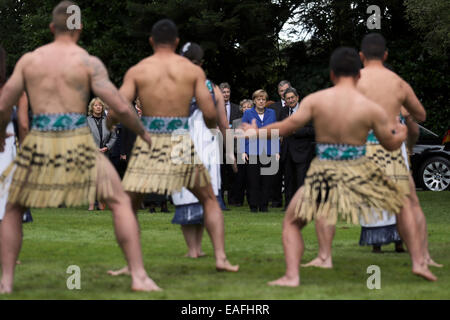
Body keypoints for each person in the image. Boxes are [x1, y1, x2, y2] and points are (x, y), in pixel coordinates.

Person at [0, 1, 160, 293]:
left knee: (12, 208)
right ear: (80, 28)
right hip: (75, 138)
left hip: (41, 140)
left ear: (51, 28)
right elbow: (121, 107)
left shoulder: (30, 60)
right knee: (120, 201)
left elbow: (3, 103)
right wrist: (142, 132)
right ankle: (138, 276)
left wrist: (0, 134)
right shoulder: (87, 62)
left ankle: (6, 282)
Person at [241, 46, 435, 287]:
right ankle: (418, 262)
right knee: (404, 204)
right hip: (360, 168)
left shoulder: (316, 100)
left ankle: (293, 275)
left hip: (326, 169)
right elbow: (389, 141)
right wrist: (402, 135)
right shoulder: (371, 106)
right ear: (357, 75)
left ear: (332, 74)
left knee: (293, 221)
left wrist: (256, 131)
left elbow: (288, 126)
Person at [107, 19, 238, 275]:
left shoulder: (138, 70)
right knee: (209, 199)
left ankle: (131, 265)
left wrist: (119, 124)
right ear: (177, 42)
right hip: (181, 139)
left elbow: (118, 109)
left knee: (128, 205)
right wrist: (210, 126)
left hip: (151, 141)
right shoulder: (193, 72)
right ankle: (220, 258)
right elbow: (210, 113)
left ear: (151, 42)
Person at [303, 33, 441, 273]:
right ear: (385, 55)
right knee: (411, 203)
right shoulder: (397, 82)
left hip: (359, 147)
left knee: (329, 200)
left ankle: (324, 255)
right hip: (391, 146)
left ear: (361, 56)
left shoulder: (355, 81)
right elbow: (420, 116)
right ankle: (423, 257)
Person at [171, 42, 229, 258]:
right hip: (207, 146)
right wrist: (230, 152)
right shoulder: (211, 87)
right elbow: (222, 123)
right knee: (209, 198)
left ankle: (193, 249)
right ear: (201, 63)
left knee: (185, 196)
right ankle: (215, 253)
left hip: (180, 144)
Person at [240, 89, 279, 212]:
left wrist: (276, 150)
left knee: (267, 180)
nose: (261, 101)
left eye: (263, 99)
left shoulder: (272, 113)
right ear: (254, 101)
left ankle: (264, 206)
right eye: (258, 99)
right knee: (253, 180)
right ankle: (253, 205)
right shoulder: (248, 113)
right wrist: (243, 151)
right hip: (251, 150)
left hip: (267, 150)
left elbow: (275, 132)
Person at [280, 87, 315, 207]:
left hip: (303, 152)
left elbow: (313, 130)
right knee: (289, 180)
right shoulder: (283, 111)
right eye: (288, 98)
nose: (290, 100)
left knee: (302, 181)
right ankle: (289, 205)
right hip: (287, 151)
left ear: (297, 97)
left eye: (292, 98)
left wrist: (296, 131)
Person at [87, 97, 117, 211]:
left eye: (100, 105)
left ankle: (100, 203)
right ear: (92, 107)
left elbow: (114, 136)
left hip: (105, 154)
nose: (98, 107)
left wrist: (107, 147)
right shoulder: (87, 120)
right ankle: (91, 204)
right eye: (95, 105)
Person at [268, 80, 292, 209]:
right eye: (282, 91)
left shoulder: (296, 106)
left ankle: (289, 200)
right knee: (275, 173)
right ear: (278, 93)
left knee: (289, 175)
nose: (284, 93)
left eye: (286, 90)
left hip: (291, 145)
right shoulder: (272, 108)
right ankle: (276, 200)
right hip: (275, 144)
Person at [219, 82, 241, 206]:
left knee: (233, 172)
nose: (226, 94)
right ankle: (220, 198)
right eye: (223, 92)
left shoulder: (236, 108)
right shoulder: (214, 107)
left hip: (233, 143)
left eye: (227, 92)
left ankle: (233, 199)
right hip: (218, 143)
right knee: (220, 172)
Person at [230, 99, 253, 207]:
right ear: (241, 109)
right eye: (244, 107)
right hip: (238, 152)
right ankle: (238, 200)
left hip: (252, 152)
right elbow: (232, 139)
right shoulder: (236, 122)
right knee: (239, 178)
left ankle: (251, 199)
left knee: (251, 178)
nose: (246, 109)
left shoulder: (254, 121)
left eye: (249, 107)